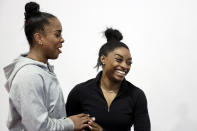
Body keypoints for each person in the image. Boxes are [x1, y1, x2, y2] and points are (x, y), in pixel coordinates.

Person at [3, 2, 94, 131]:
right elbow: (39, 128)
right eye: (57, 34)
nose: (62, 40)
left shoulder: (42, 72)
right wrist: (71, 123)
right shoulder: (29, 76)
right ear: (39, 38)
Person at [66, 28, 151, 131]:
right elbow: (65, 127)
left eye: (129, 63)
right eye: (119, 60)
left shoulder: (136, 95)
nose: (125, 66)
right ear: (103, 59)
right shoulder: (80, 91)